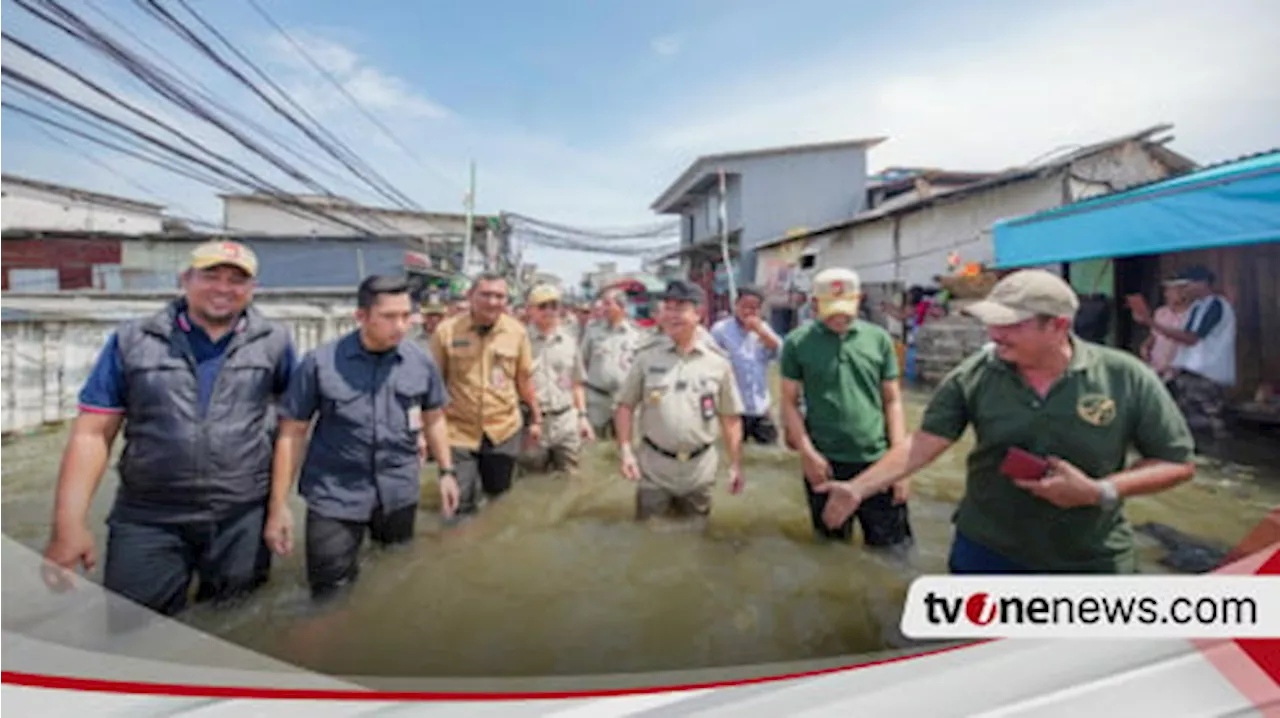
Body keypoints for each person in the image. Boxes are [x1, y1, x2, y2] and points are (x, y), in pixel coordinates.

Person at [816, 269, 1197, 574]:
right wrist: (859, 488)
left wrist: (1100, 492)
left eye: (1012, 325)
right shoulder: (976, 374)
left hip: (1090, 561)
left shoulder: (1124, 376)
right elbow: (925, 441)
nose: (995, 334)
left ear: (1058, 327)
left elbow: (1177, 463)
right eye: (992, 322)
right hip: (987, 553)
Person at [41, 240, 296, 624]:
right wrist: (68, 526)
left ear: (252, 289)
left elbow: (291, 429)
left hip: (241, 515)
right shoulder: (134, 341)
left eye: (236, 280)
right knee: (135, 631)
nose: (223, 288)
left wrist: (278, 507)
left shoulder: (274, 343)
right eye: (211, 276)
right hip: (148, 517)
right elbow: (92, 433)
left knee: (237, 624)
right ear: (185, 280)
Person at [264, 275, 457, 599]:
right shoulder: (321, 363)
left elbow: (434, 417)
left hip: (397, 492)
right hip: (335, 495)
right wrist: (278, 505)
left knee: (396, 576)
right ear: (361, 317)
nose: (401, 325)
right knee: (329, 593)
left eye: (407, 316)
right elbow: (292, 434)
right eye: (389, 317)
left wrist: (447, 472)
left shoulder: (419, 362)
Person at [779, 267, 913, 549]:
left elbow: (893, 401)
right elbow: (789, 402)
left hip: (877, 460)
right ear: (813, 304)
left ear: (859, 299)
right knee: (830, 547)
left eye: (846, 309)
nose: (839, 317)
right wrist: (808, 454)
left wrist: (900, 465)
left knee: (893, 549)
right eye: (830, 310)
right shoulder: (797, 343)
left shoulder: (879, 340)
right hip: (824, 463)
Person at [614, 280, 745, 524]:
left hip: (699, 471)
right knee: (648, 536)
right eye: (668, 307)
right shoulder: (646, 357)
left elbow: (730, 416)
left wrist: (735, 464)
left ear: (699, 313)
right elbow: (625, 406)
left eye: (680, 308)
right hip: (654, 468)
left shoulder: (718, 363)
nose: (671, 315)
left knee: (696, 538)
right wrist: (625, 451)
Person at [429, 271, 539, 517]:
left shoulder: (517, 332)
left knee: (499, 500)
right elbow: (433, 386)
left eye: (499, 296)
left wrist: (536, 420)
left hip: (503, 429)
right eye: (485, 295)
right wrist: (425, 434)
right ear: (470, 296)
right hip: (458, 431)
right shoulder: (446, 332)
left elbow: (524, 380)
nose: (492, 302)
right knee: (457, 504)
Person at [1130, 265, 1237, 442]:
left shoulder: (1215, 305)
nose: (1185, 290)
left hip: (1207, 370)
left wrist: (1151, 323)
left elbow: (1191, 338)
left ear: (1202, 284)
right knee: (1188, 418)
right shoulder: (1198, 307)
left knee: (1210, 419)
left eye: (1188, 285)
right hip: (1191, 370)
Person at [519, 284, 595, 474]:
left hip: (566, 420)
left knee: (571, 476)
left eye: (554, 306)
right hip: (533, 423)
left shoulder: (569, 341)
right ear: (530, 310)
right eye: (542, 306)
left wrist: (583, 417)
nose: (549, 311)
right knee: (531, 480)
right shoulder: (519, 342)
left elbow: (576, 383)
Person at [710, 285, 783, 445]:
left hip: (760, 405)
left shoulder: (764, 329)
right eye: (745, 307)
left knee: (770, 448)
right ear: (736, 306)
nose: (749, 312)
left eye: (754, 308)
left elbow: (780, 354)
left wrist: (761, 333)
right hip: (733, 406)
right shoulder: (721, 330)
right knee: (734, 449)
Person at [579, 287, 643, 439]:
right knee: (594, 445)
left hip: (625, 400)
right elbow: (581, 363)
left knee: (625, 443)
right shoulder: (593, 331)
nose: (603, 307)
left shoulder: (636, 334)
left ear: (621, 307)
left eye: (608, 304)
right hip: (597, 401)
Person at [1138, 279, 1191, 381]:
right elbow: (1154, 336)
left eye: (1172, 291)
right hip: (1156, 367)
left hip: (1178, 371)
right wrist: (1145, 346)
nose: (1167, 295)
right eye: (1166, 291)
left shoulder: (1191, 315)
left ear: (1184, 293)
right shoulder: (1161, 312)